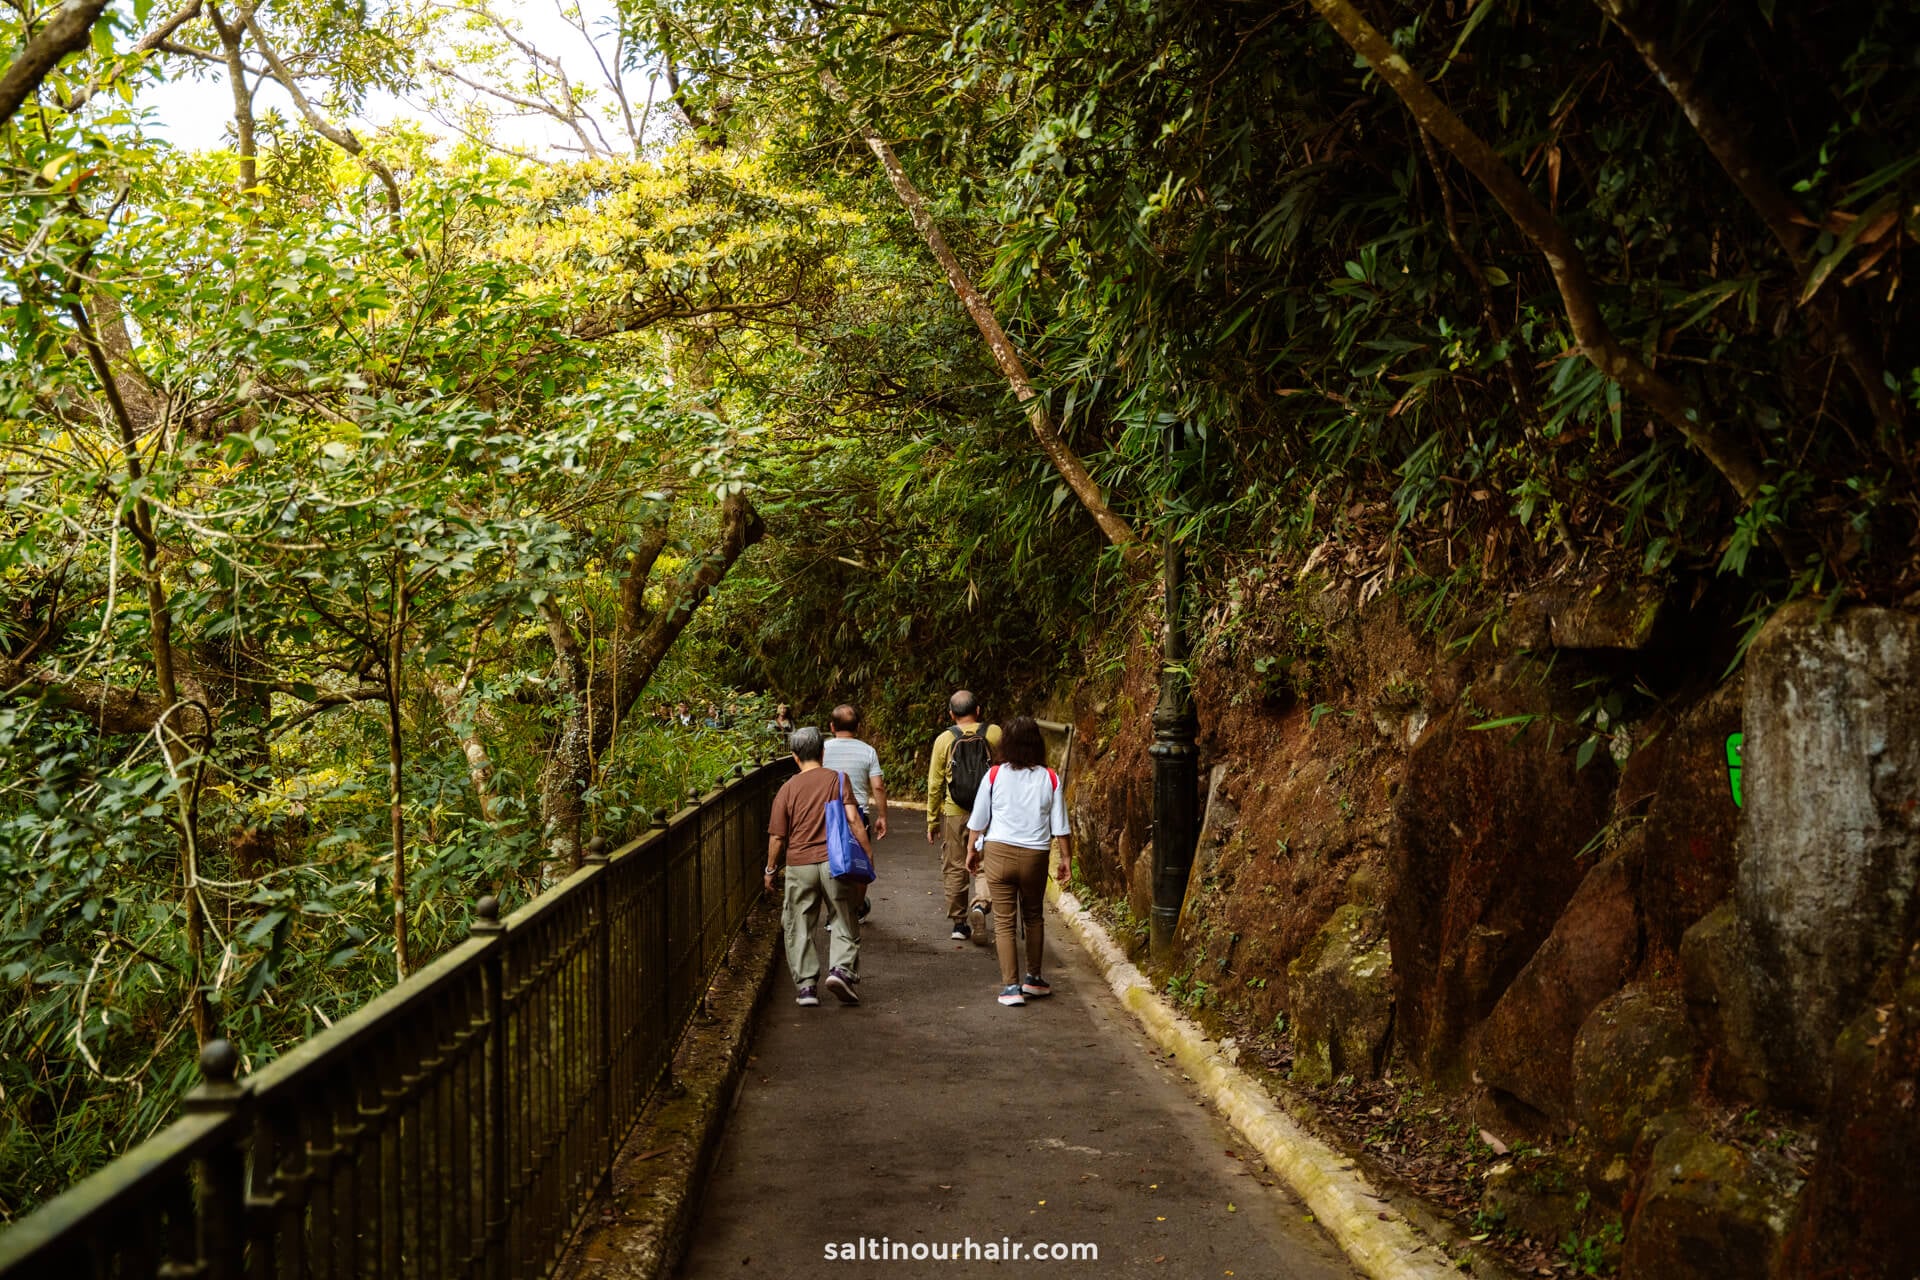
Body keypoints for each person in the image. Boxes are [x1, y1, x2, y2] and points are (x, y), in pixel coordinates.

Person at [964, 716, 1071, 1007]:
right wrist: (1066, 859)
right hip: (1035, 856)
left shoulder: (995, 775)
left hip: (999, 853)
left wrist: (972, 851)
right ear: (1037, 743)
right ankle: (1034, 979)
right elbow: (1060, 824)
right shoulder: (1050, 777)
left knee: (1003, 921)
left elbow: (979, 819)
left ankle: (1010, 987)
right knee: (1034, 917)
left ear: (1006, 744)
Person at [764, 727, 872, 1006]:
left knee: (797, 922)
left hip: (800, 864)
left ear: (794, 756)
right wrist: (867, 855)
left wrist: (770, 869)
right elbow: (853, 819)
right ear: (822, 753)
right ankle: (841, 970)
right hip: (834, 862)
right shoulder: (838, 779)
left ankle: (806, 987)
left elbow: (777, 836)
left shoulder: (787, 788)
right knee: (843, 915)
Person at [925, 690, 1001, 942]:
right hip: (991, 811)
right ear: (978, 710)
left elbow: (935, 784)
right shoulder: (995, 733)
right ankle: (981, 905)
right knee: (985, 863)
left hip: (955, 811)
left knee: (955, 864)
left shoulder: (944, 739)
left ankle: (959, 924)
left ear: (951, 714)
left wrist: (932, 820)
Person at [822, 703, 886, 920]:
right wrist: (882, 816)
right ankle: (856, 908)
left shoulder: (822, 749)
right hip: (857, 814)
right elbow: (878, 786)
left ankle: (834, 911)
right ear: (858, 726)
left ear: (832, 726)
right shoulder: (868, 751)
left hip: (828, 814)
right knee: (860, 861)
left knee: (829, 860)